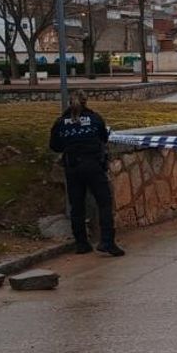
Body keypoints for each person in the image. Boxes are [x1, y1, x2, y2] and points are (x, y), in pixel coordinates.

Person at [49, 90, 124, 256]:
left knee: (77, 206)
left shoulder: (60, 122)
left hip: (72, 167)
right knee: (104, 203)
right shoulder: (95, 118)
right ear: (85, 102)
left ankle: (81, 243)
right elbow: (103, 138)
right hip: (93, 166)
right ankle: (107, 242)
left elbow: (54, 145)